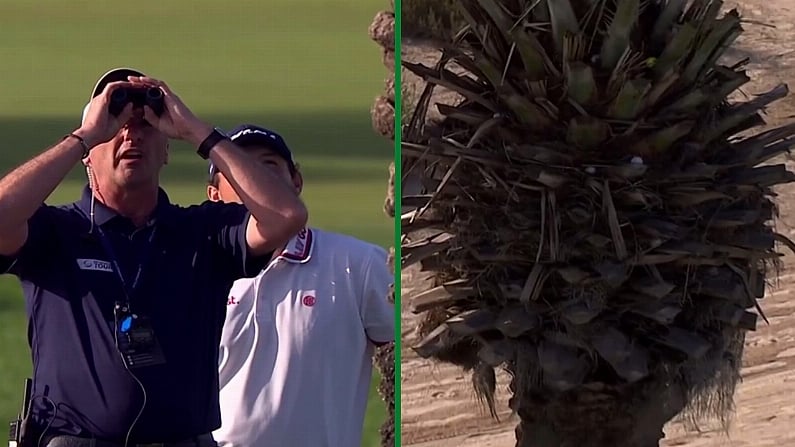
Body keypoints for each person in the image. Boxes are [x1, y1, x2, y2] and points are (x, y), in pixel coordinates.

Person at [0, 68, 308, 446]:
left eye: (146, 126)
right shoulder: (56, 231)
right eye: (115, 128)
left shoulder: (202, 232)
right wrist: (82, 137)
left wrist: (198, 132)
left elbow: (287, 216)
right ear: (87, 156)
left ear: (166, 151)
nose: (131, 134)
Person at [205, 124, 394, 447]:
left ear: (297, 181)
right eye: (236, 166)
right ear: (214, 195)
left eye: (268, 165)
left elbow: (417, 351)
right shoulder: (196, 270)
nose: (256, 179)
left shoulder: (357, 264)